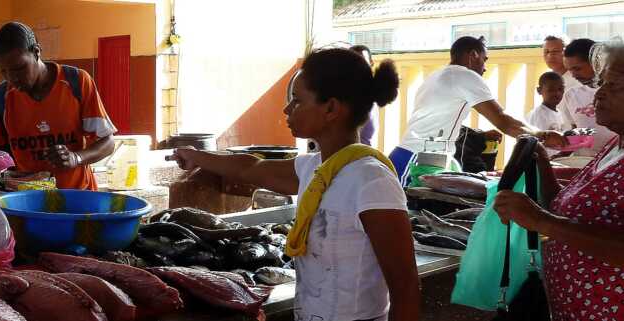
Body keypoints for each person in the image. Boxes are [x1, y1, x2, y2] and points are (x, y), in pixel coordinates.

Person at [173, 49, 420, 321]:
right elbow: (250, 167)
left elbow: (405, 286)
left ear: (331, 109)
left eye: (297, 101)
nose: (287, 110)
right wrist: (196, 156)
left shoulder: (371, 180)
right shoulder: (314, 168)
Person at [493, 42, 624, 320]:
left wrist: (540, 221)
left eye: (614, 85)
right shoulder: (614, 145)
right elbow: (565, 208)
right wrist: (541, 161)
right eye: (602, 83)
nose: (599, 94)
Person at [390, 36, 564, 183]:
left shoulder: (438, 75)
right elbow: (502, 120)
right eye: (484, 59)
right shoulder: (464, 75)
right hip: (416, 159)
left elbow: (441, 123)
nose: (485, 67)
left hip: (417, 155)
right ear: (473, 55)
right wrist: (541, 135)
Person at [0, 22, 116, 190]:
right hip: (27, 203)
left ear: (36, 52)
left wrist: (75, 157)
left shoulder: (76, 82)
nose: (12, 78)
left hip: (78, 198)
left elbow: (107, 142)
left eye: (19, 68)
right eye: (3, 71)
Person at [560, 38, 615, 157]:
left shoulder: (619, 93)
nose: (574, 75)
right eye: (570, 70)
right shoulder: (571, 95)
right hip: (584, 164)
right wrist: (562, 144)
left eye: (577, 68)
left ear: (597, 62)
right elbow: (584, 130)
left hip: (615, 164)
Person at [351, 44, 380, 146]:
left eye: (363, 62)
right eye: (353, 63)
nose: (358, 67)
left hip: (366, 156)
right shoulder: (343, 98)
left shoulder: (372, 93)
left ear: (371, 63)